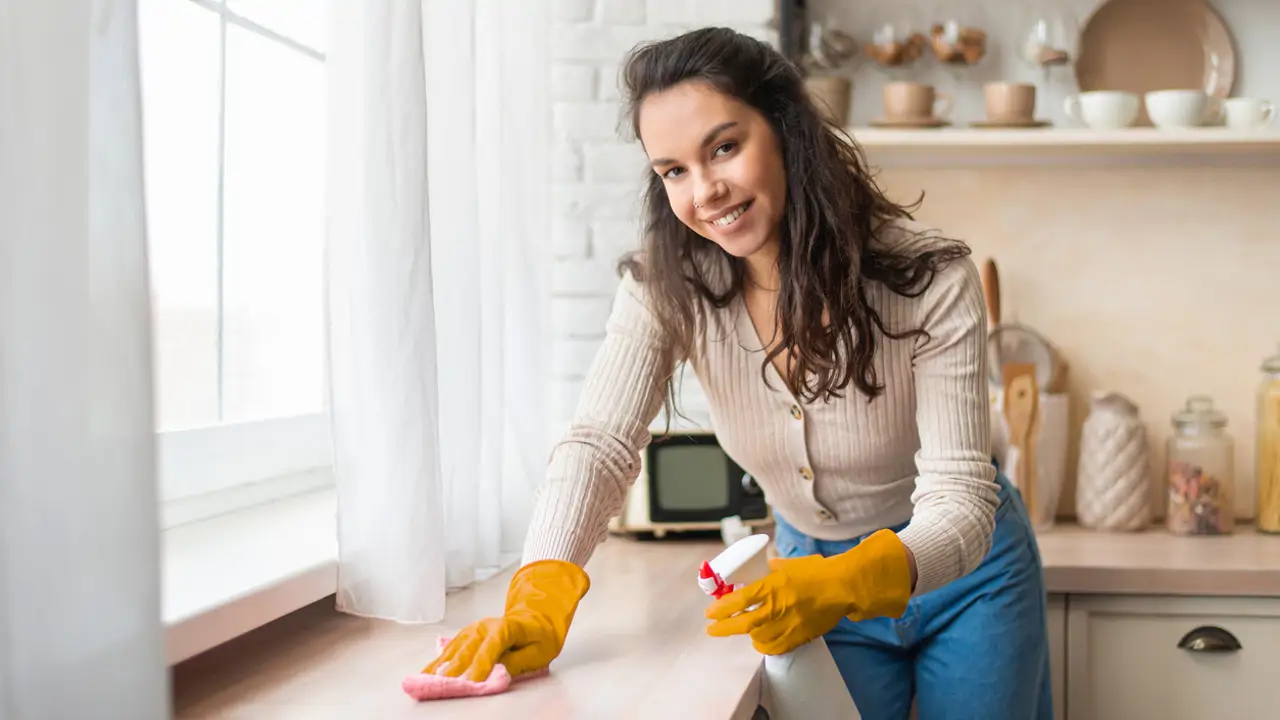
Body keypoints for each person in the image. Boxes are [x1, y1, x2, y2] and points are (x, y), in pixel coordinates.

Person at [424, 26, 1053, 719]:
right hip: (803, 577)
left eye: (724, 147)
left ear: (785, 130)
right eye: (674, 171)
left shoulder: (927, 276)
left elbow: (962, 496)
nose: (705, 192)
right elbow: (599, 443)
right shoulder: (668, 286)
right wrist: (538, 598)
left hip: (970, 579)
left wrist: (846, 581)